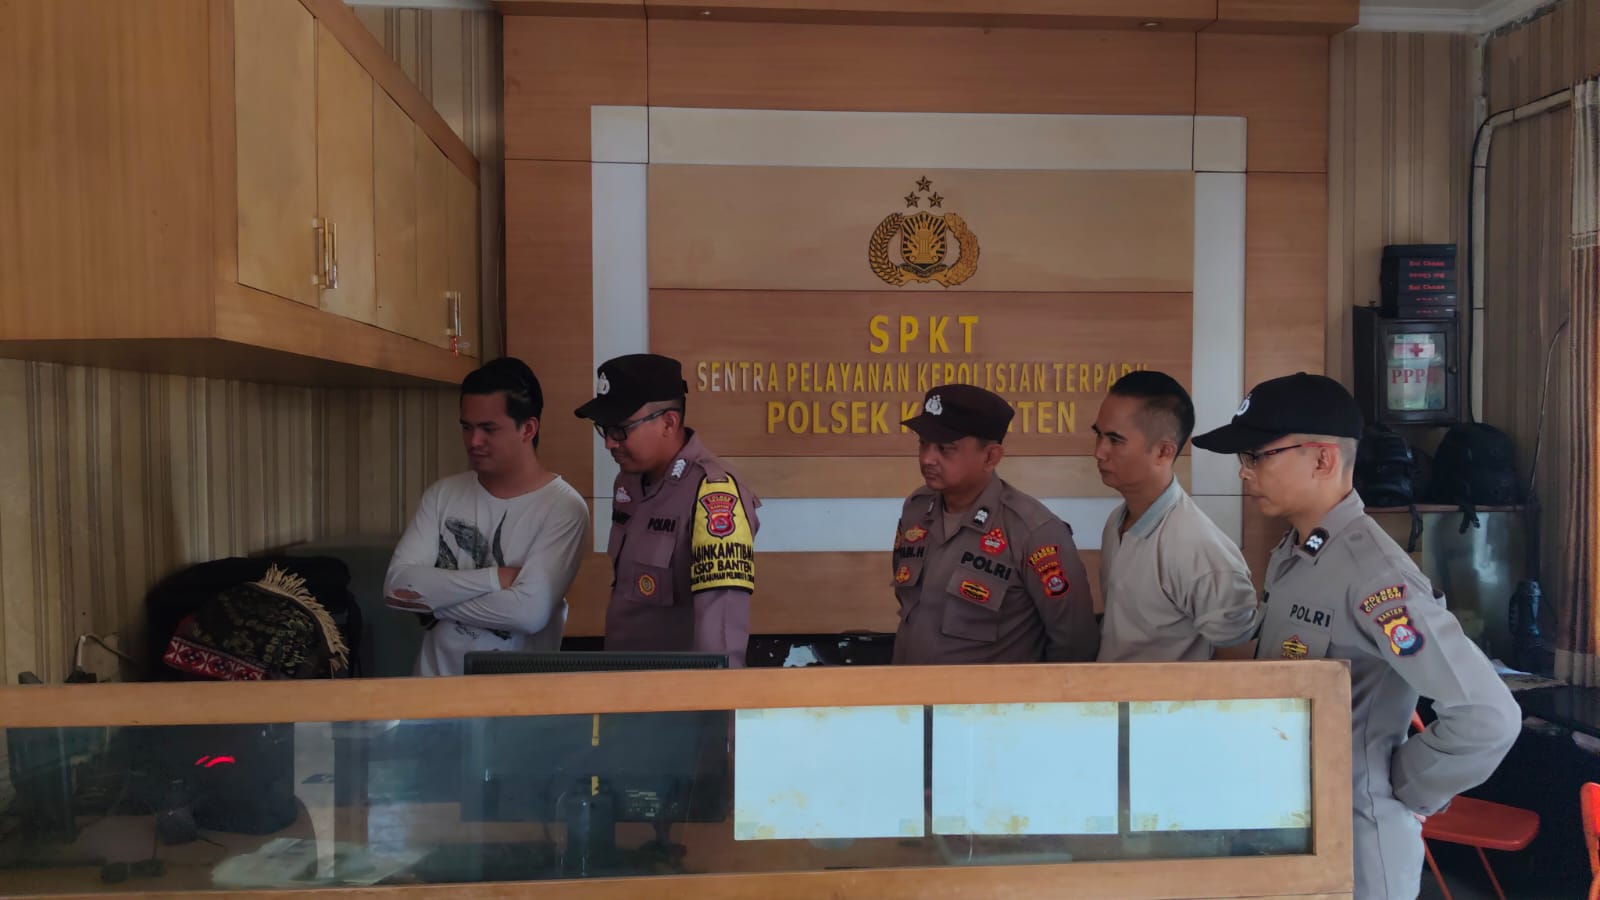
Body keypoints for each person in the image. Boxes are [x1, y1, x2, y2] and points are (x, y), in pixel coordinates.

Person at [1191, 372, 1521, 900]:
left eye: (1258, 455)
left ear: (1323, 460)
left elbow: (1488, 717)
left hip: (1356, 849)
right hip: (1291, 826)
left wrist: (1400, 786)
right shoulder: (1295, 554)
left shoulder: (1375, 577)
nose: (1244, 471)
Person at [383, 358, 589, 676]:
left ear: (528, 429)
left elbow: (528, 613)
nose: (473, 441)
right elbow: (396, 589)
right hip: (431, 692)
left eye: (488, 429)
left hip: (515, 698)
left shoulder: (563, 507)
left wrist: (434, 601)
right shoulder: (442, 494)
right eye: (467, 427)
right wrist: (495, 579)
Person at [891, 385, 1098, 664]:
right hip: (909, 690)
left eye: (945, 448)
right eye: (923, 443)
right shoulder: (916, 509)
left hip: (990, 694)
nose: (927, 458)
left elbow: (1074, 644)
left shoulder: (1033, 531)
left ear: (990, 457)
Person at [575, 354, 759, 666]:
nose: (609, 443)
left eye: (620, 429)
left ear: (668, 423)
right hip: (622, 680)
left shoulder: (714, 493)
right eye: (603, 428)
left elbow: (721, 634)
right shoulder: (629, 483)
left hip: (675, 690)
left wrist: (714, 695)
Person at [1091, 371, 1258, 662]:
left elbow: (1238, 658)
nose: (1099, 452)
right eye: (1099, 434)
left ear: (1163, 452)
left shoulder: (1198, 548)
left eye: (1115, 440)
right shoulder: (1116, 521)